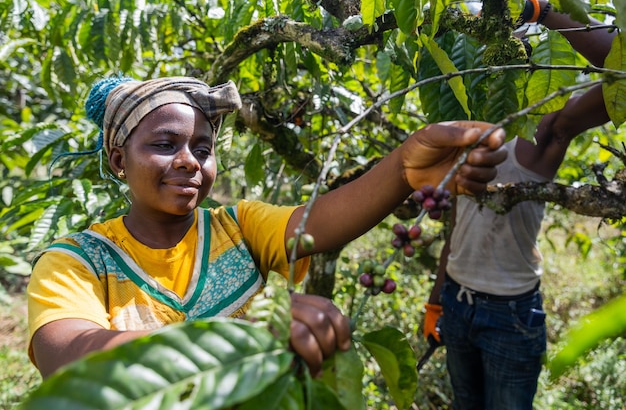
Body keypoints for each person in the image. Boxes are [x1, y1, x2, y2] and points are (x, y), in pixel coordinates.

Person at [26, 75, 508, 380]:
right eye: (164, 144)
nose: (189, 161)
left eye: (202, 148)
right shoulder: (78, 261)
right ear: (117, 160)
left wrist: (405, 166)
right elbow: (69, 356)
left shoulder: (238, 227)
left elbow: (319, 221)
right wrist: (243, 339)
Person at [423, 0, 617, 409]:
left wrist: (540, 9)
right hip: (458, 302)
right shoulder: (466, 128)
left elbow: (620, 67)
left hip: (511, 314)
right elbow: (457, 224)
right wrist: (435, 300)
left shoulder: (547, 130)